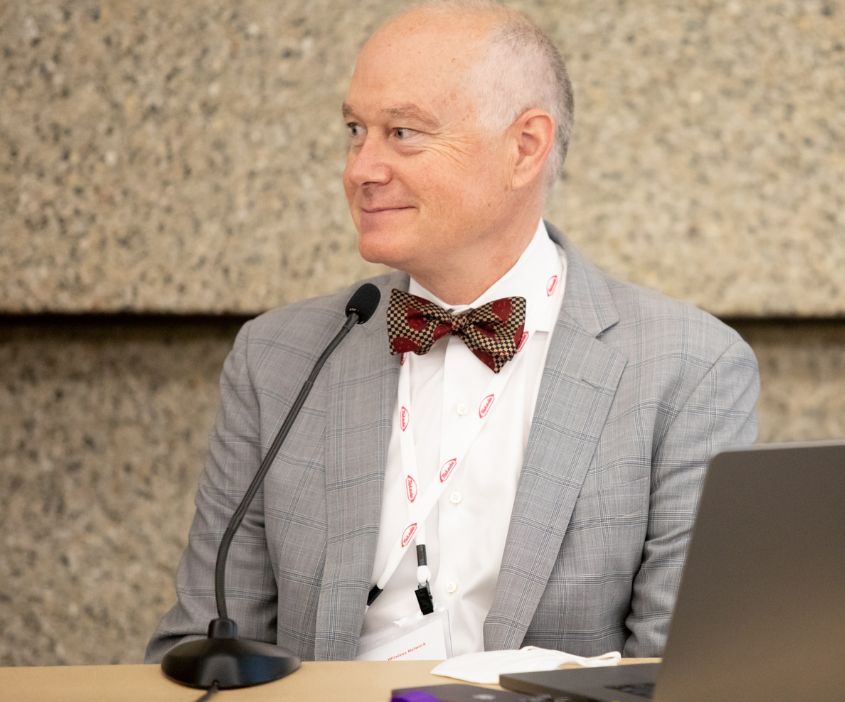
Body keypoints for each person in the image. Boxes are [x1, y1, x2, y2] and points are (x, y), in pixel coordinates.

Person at [146, 0, 758, 663]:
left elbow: (676, 676)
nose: (361, 169)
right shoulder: (277, 358)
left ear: (525, 147)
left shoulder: (689, 368)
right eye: (356, 130)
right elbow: (202, 646)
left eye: (403, 133)